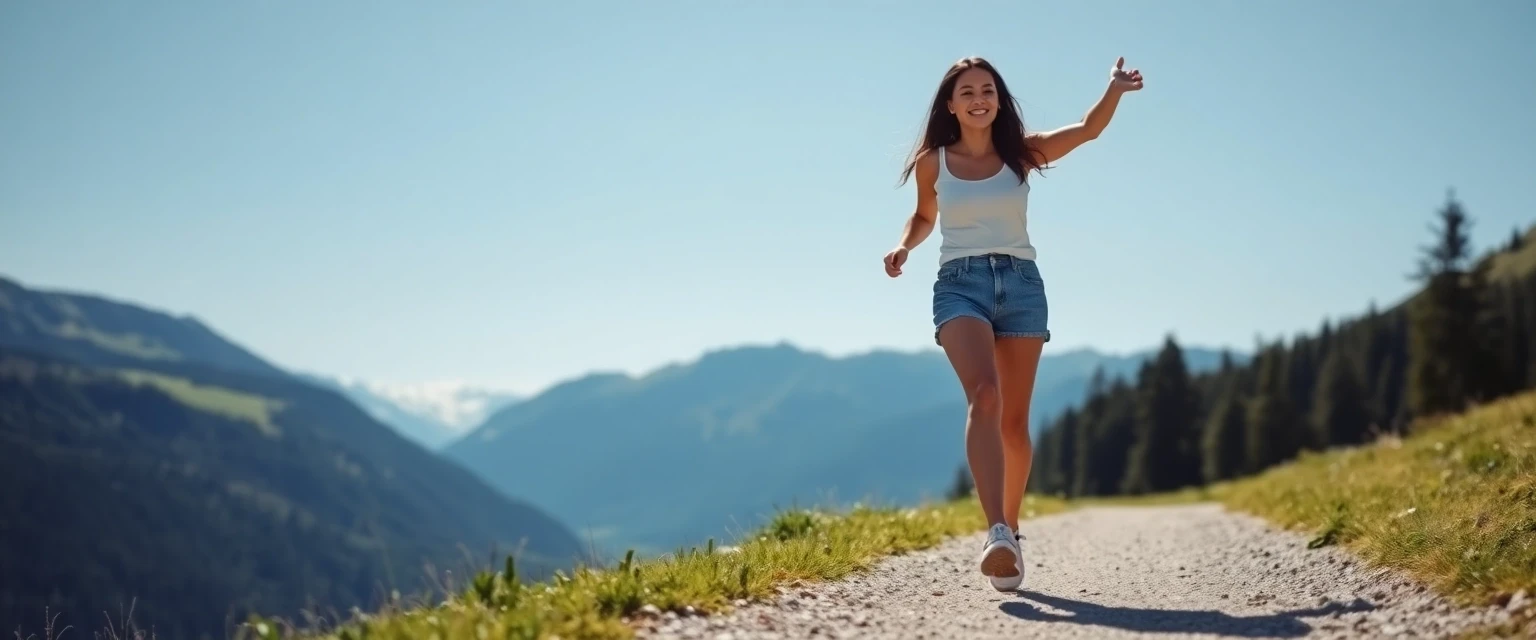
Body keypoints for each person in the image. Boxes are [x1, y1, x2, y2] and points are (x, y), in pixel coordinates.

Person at [883, 55, 1143, 591]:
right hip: (960, 285)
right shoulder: (935, 162)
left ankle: (1013, 534)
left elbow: (1089, 130)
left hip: (1022, 286)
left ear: (998, 100)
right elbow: (926, 214)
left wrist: (1113, 90)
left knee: (1014, 426)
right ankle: (995, 530)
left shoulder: (1020, 154)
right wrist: (904, 244)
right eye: (967, 91)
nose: (979, 98)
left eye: (988, 90)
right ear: (950, 105)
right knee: (984, 394)